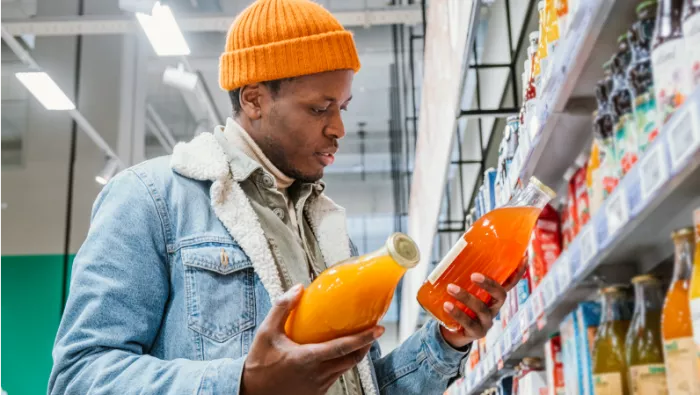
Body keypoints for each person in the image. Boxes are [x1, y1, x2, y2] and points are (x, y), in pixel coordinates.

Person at [48, 0, 526, 394]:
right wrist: (242, 383)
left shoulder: (325, 229)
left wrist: (447, 340)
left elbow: (358, 386)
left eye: (342, 107)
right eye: (320, 108)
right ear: (255, 100)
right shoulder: (150, 199)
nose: (338, 128)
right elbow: (79, 376)